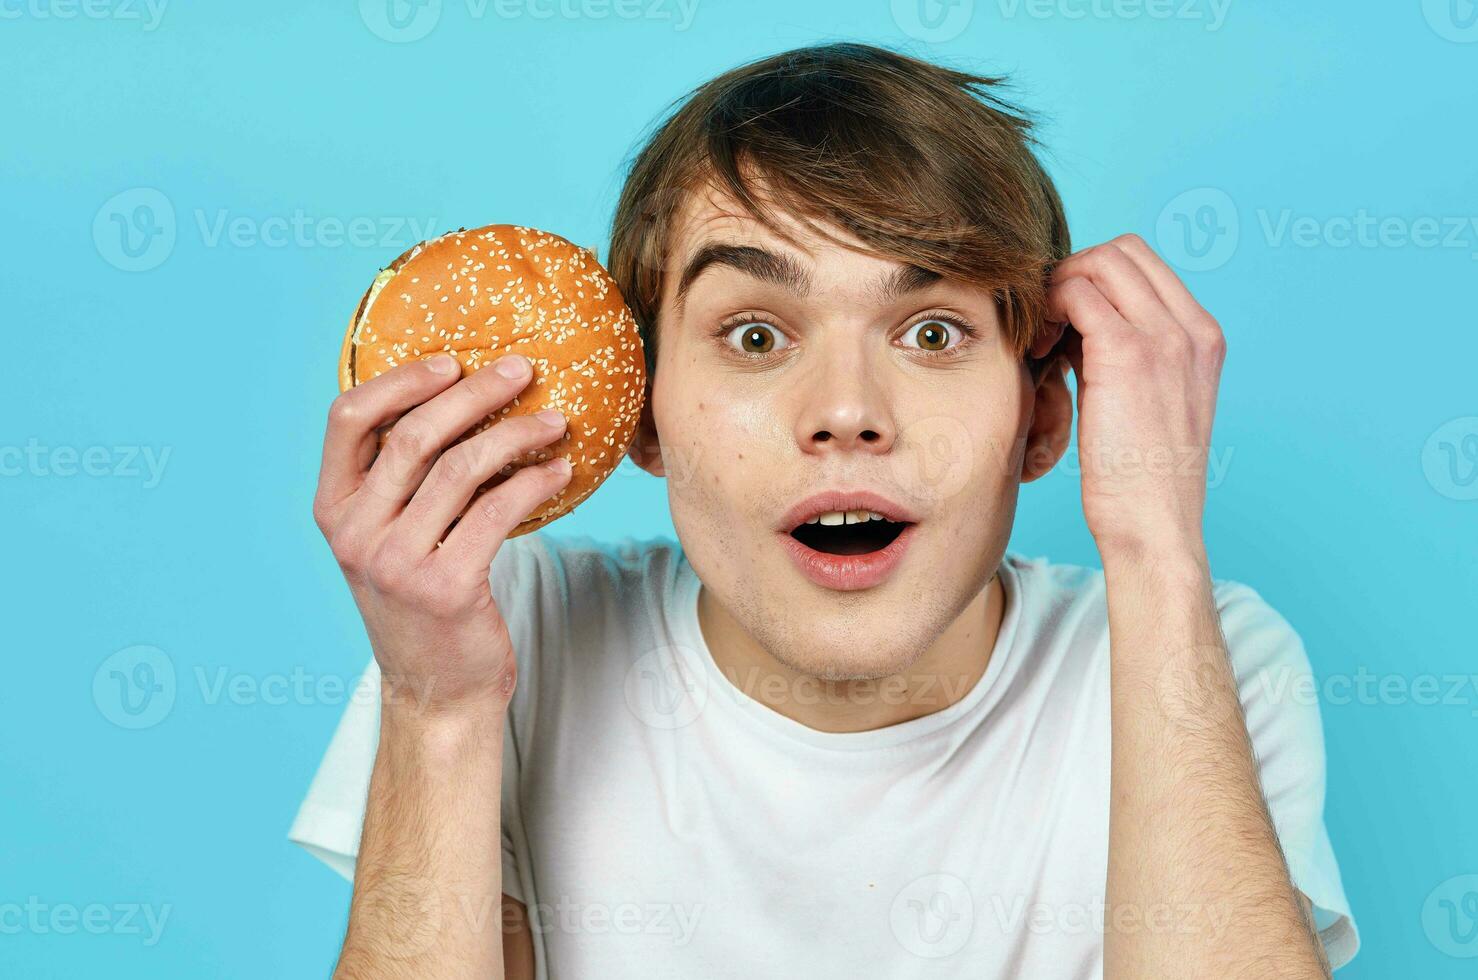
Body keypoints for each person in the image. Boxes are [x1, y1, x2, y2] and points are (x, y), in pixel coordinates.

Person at [290, 42, 1358, 979]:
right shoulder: (503, 631)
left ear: (1039, 415)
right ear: (643, 416)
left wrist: (1155, 543)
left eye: (930, 332)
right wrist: (436, 704)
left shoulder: (1207, 651)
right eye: (756, 333)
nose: (846, 412)